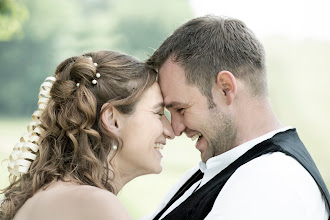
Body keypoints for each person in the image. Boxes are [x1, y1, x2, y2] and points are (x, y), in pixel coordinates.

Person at [144, 16, 330, 220]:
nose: (175, 129)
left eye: (180, 109)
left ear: (226, 88)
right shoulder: (216, 171)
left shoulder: (270, 181)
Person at [0, 50, 174, 220]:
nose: (171, 131)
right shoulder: (95, 203)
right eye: (158, 113)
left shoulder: (47, 194)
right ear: (113, 120)